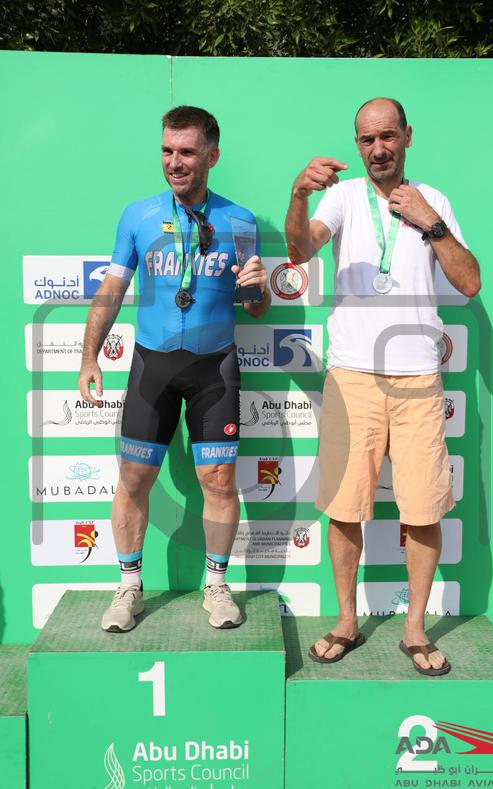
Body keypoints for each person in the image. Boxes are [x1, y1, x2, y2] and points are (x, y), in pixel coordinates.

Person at [285, 97, 480, 675]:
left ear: (407, 136)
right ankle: (347, 621)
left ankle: (414, 628)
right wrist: (298, 195)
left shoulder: (434, 199)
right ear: (357, 144)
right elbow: (300, 250)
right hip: (352, 376)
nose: (378, 149)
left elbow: (469, 282)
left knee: (423, 510)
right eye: (367, 140)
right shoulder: (342, 197)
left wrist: (429, 221)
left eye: (388, 136)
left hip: (419, 376)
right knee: (345, 509)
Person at [79, 106, 270, 633]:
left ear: (212, 155)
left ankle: (216, 584)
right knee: (134, 477)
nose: (175, 161)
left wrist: (259, 289)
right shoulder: (138, 216)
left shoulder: (240, 220)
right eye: (167, 150)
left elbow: (254, 307)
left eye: (187, 151)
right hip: (153, 364)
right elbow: (112, 288)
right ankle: (128, 586)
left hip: (215, 367)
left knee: (219, 480)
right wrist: (89, 356)